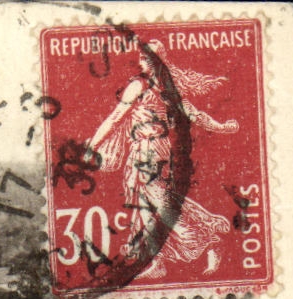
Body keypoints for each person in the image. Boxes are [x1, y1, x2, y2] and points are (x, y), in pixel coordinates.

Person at [84, 42, 240, 278]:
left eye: (147, 59)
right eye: (143, 59)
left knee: (159, 203)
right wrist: (223, 127)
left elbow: (115, 119)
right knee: (145, 203)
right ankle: (157, 262)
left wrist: (93, 145)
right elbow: (195, 115)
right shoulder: (167, 87)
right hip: (149, 150)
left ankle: (208, 239)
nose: (143, 63)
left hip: (150, 151)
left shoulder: (141, 86)